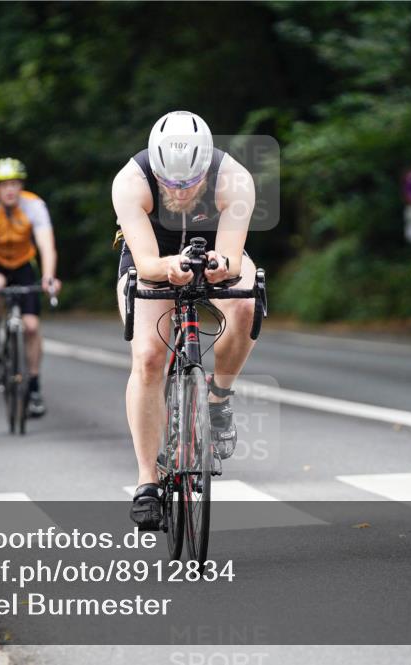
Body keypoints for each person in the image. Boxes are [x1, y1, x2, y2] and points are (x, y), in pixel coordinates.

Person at [112, 111, 257, 529]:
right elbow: (146, 263)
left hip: (212, 246)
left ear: (206, 167)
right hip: (152, 254)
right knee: (149, 357)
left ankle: (219, 399)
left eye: (190, 183)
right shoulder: (130, 182)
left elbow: (230, 261)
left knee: (247, 303)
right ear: (155, 169)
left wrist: (218, 266)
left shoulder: (235, 180)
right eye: (169, 183)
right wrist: (168, 269)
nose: (178, 192)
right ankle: (146, 481)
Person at [0, 158, 60, 417]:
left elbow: (46, 245)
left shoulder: (34, 206)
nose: (10, 189)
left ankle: (34, 386)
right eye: (4, 184)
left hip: (22, 264)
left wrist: (49, 276)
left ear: (21, 186)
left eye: (15, 183)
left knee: (31, 327)